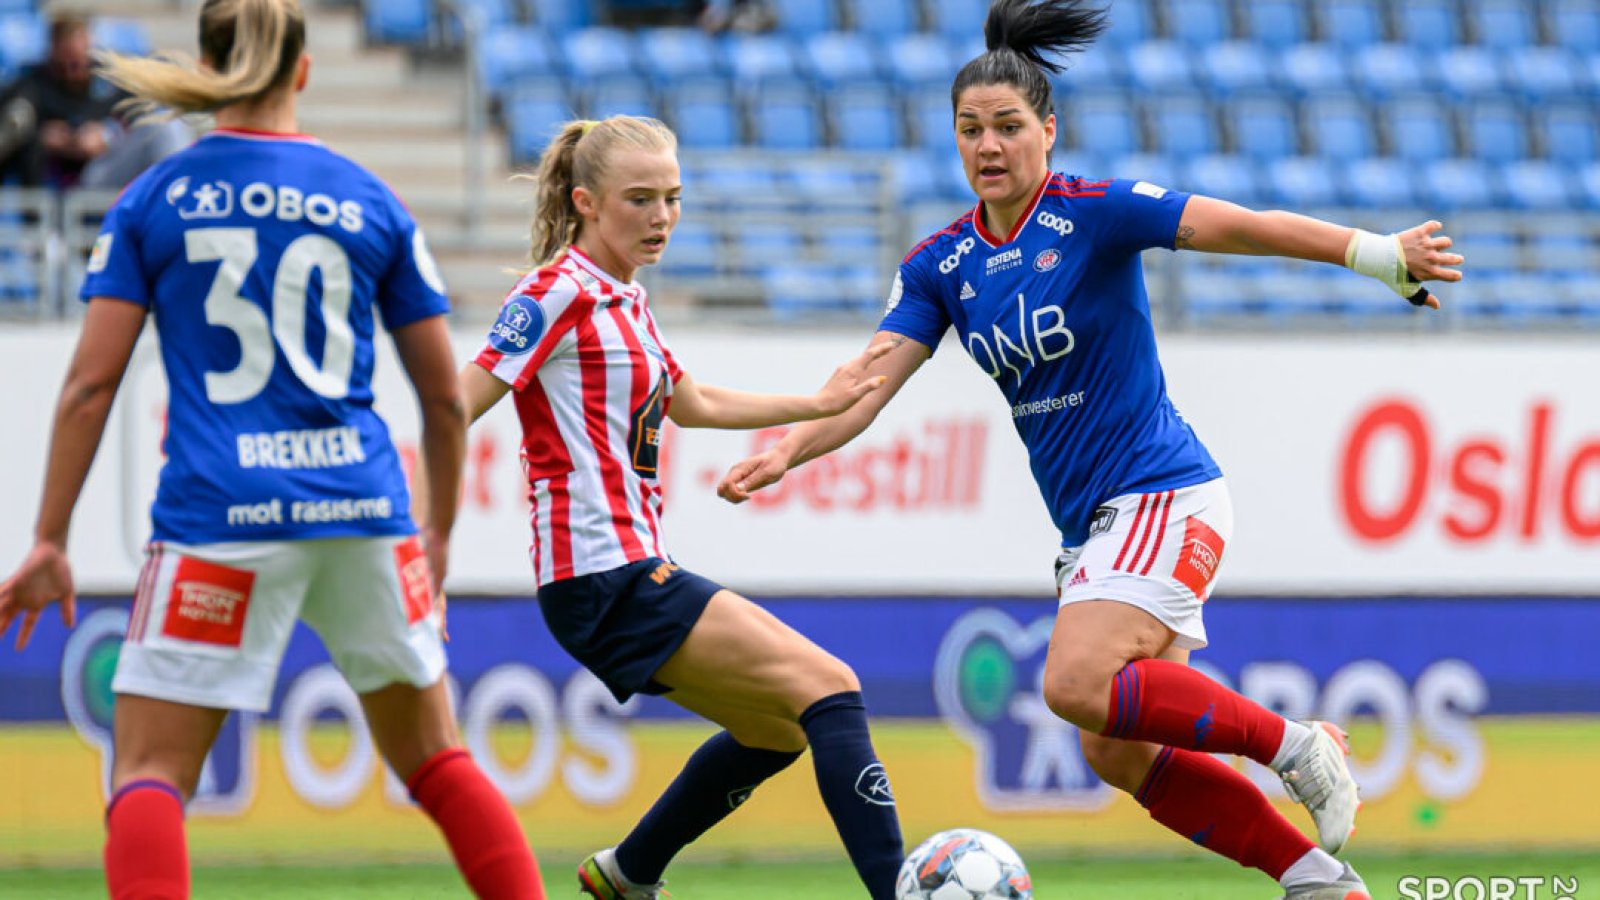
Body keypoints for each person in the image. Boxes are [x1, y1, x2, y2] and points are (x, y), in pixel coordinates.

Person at [717, 1, 1466, 899]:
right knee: (1116, 748)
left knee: (1076, 680)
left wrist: (1374, 253)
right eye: (969, 131)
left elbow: (1237, 223)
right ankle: (1316, 879)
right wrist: (789, 449)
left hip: (1162, 491)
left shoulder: (1092, 213)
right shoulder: (940, 265)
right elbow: (867, 385)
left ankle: (1296, 746)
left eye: (1007, 127)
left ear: (1048, 130)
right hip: (1096, 531)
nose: (988, 147)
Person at [0, 2, 546, 898]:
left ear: (210, 68)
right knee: (438, 762)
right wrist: (436, 536)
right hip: (365, 515)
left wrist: (51, 539)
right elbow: (445, 398)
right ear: (302, 71)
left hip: (220, 517)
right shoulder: (370, 198)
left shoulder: (155, 200)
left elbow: (90, 387)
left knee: (149, 776)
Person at [451, 115, 904, 900]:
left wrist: (815, 401)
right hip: (604, 574)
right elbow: (454, 403)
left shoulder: (625, 293)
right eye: (640, 199)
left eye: (673, 198)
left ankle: (628, 874)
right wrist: (396, 520)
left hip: (622, 573)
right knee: (830, 689)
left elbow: (688, 400)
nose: (661, 216)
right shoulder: (557, 291)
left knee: (774, 729)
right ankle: (904, 890)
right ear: (587, 202)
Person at [0, 14, 120, 188]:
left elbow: (134, 122)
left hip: (101, 176)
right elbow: (14, 121)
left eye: (76, 65)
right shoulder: (34, 82)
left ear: (89, 50)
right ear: (52, 54)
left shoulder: (111, 82)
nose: (70, 73)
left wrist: (107, 135)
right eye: (62, 66)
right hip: (43, 179)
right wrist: (40, 134)